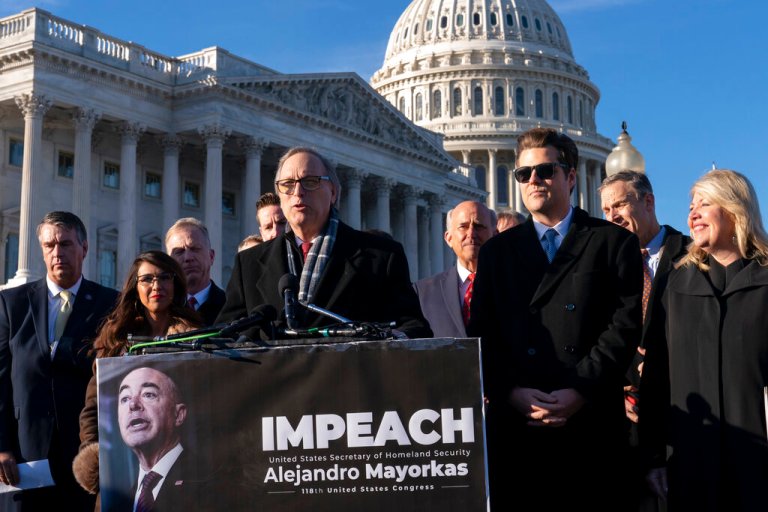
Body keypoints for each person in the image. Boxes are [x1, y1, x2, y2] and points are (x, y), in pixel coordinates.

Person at [468, 128, 643, 510]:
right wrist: (510, 392)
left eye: (545, 171)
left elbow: (624, 327)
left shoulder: (612, 242)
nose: (533, 181)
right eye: (524, 173)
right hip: (518, 429)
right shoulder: (497, 252)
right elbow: (482, 332)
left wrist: (579, 390)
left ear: (571, 177)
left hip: (591, 427)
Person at [642, 169, 768, 511]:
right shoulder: (675, 284)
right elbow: (656, 377)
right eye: (691, 205)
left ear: (735, 210)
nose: (692, 214)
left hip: (758, 465)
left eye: (705, 203)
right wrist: (653, 457)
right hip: (690, 463)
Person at [217, 147, 431, 339]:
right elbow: (224, 334)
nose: (298, 192)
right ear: (280, 196)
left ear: (333, 193)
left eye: (310, 182)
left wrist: (392, 338)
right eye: (287, 185)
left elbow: (414, 327)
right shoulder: (249, 263)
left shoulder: (380, 256)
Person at [0, 211, 118, 511]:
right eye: (49, 245)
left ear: (84, 248)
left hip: (86, 457)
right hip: (25, 457)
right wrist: (2, 446)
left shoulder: (111, 304)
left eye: (65, 244)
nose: (57, 252)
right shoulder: (11, 304)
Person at [72, 251, 201, 506]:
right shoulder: (114, 339)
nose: (156, 286)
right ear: (135, 286)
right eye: (147, 279)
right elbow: (92, 409)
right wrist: (96, 456)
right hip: (118, 484)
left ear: (175, 284)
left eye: (164, 277)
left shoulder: (195, 338)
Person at [600, 170, 690, 511]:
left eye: (620, 205)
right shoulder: (604, 266)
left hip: (680, 414)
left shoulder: (691, 256)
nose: (612, 217)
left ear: (648, 201)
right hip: (625, 427)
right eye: (606, 210)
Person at [414, 200, 496, 338]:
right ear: (449, 238)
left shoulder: (515, 286)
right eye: (463, 227)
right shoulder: (423, 293)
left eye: (479, 226)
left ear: (495, 235)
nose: (471, 233)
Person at [165, 218, 226, 326]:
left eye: (195, 249)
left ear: (211, 256)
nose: (188, 257)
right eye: (179, 252)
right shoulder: (162, 308)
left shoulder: (230, 306)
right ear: (169, 263)